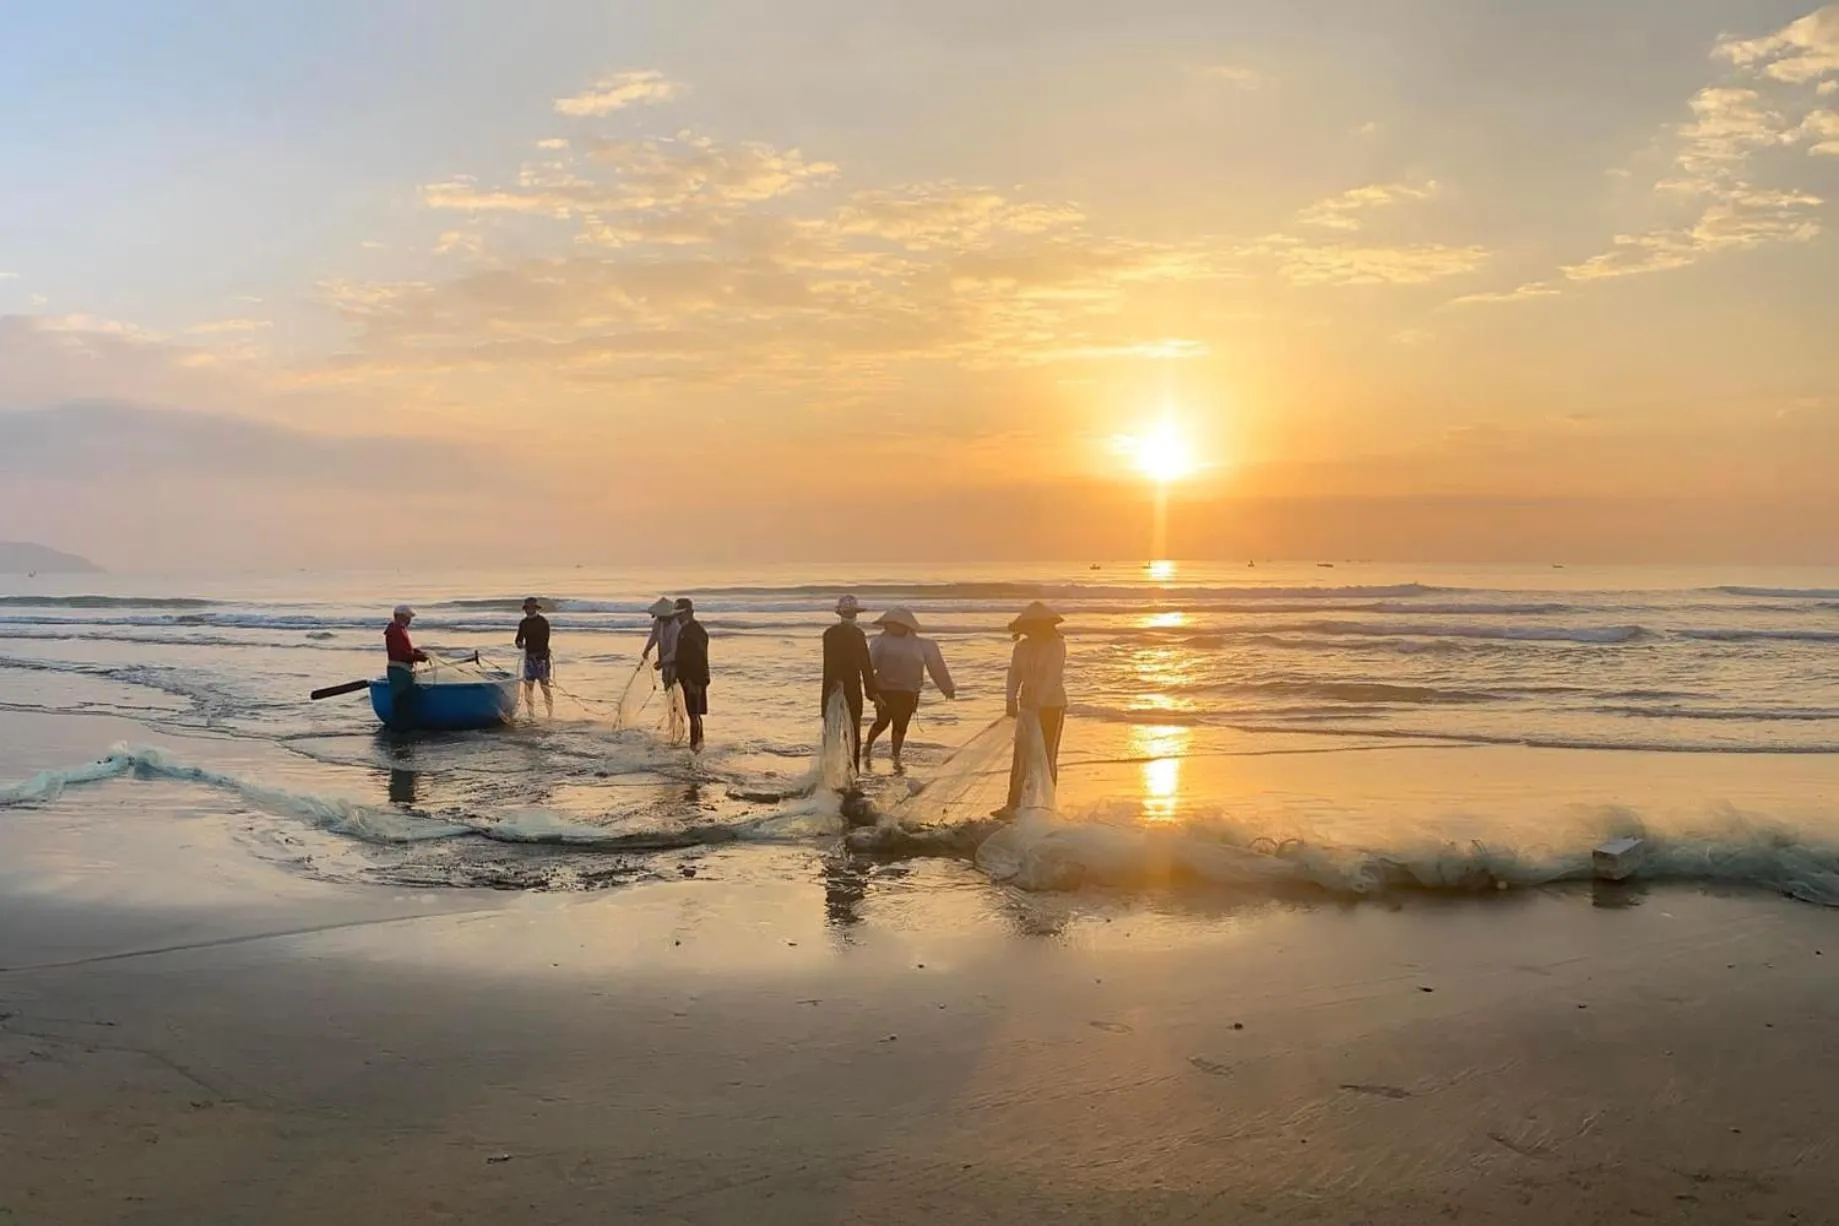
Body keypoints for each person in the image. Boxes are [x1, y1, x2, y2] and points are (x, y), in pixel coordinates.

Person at [864, 606, 955, 772]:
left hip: (908, 691)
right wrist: (871, 691)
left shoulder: (923, 645)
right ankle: (868, 746)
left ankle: (895, 754)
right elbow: (868, 667)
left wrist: (946, 687)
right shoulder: (880, 642)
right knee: (882, 721)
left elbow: (937, 667)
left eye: (893, 624)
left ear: (904, 625)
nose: (889, 627)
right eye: (888, 624)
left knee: (901, 725)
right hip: (885, 689)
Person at [999, 600, 1067, 817]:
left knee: (1046, 756)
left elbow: (1052, 675)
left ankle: (1046, 805)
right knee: (1021, 756)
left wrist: (1039, 701)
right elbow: (1014, 674)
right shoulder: (1022, 647)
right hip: (1027, 706)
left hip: (1051, 706)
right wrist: (1010, 699)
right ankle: (1014, 804)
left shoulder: (1056, 645)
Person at [821, 594, 880, 770]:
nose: (851, 616)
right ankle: (844, 772)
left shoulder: (838, 634)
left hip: (840, 688)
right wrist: (872, 692)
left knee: (841, 732)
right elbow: (863, 665)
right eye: (849, 613)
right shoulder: (847, 634)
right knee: (845, 732)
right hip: (844, 688)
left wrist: (872, 692)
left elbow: (863, 665)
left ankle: (840, 771)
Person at [383, 604, 428, 731]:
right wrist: (418, 657)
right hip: (400, 671)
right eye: (408, 617)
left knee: (402, 700)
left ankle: (401, 728)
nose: (410, 620)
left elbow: (401, 650)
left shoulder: (397, 629)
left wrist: (414, 651)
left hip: (400, 670)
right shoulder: (397, 631)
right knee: (402, 701)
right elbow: (401, 654)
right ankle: (401, 731)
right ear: (401, 616)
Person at [673, 598, 710, 751]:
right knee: (693, 714)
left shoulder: (696, 632)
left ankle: (695, 748)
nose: (677, 618)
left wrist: (694, 680)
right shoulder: (684, 630)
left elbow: (699, 659)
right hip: (687, 678)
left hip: (694, 679)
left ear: (689, 613)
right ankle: (698, 746)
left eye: (680, 614)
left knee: (694, 715)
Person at [514, 596, 553, 718]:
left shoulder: (543, 622)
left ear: (535, 608)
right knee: (528, 688)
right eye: (527, 608)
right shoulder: (523, 623)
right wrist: (519, 644)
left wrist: (540, 654)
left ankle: (550, 713)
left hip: (542, 659)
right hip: (529, 659)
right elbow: (518, 639)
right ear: (525, 609)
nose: (529, 610)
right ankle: (531, 714)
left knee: (545, 687)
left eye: (531, 608)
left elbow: (545, 640)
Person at [642, 597, 681, 689]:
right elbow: (654, 637)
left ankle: (675, 703)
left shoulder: (675, 627)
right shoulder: (659, 622)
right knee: (666, 683)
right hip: (664, 658)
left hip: (676, 661)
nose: (658, 618)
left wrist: (661, 662)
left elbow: (674, 652)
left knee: (673, 684)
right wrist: (647, 650)